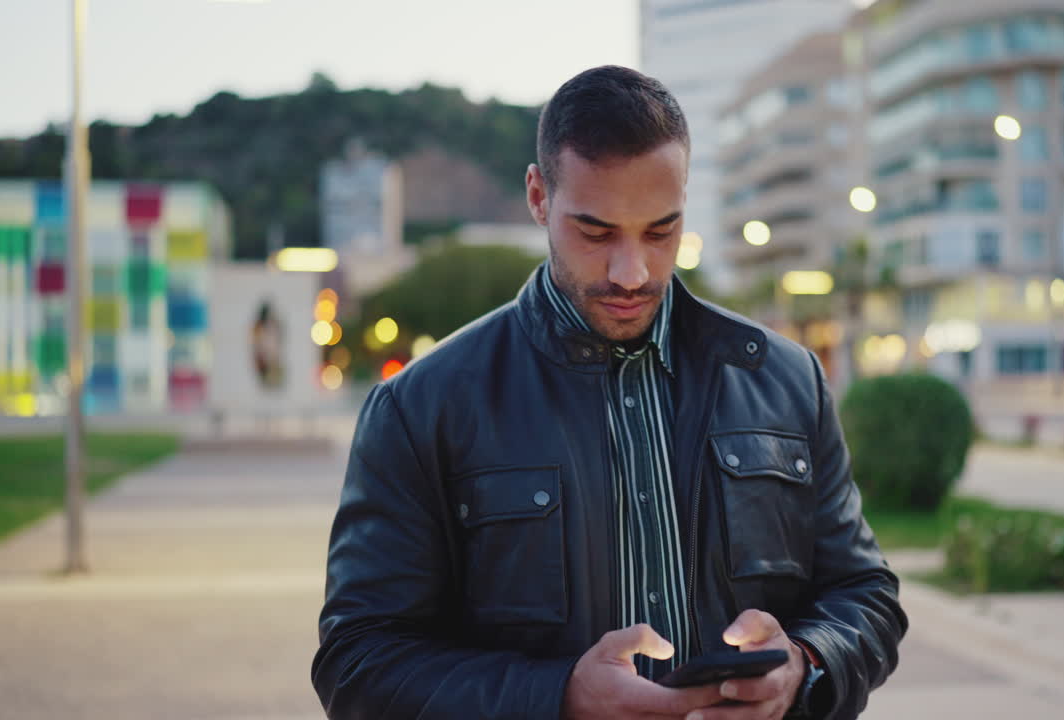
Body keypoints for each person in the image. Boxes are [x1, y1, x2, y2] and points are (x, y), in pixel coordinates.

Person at [312, 65, 906, 720]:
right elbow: (358, 662)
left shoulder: (787, 380)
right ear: (539, 197)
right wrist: (559, 697)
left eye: (661, 231)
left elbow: (865, 595)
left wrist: (803, 664)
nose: (632, 272)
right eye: (596, 233)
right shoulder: (420, 407)